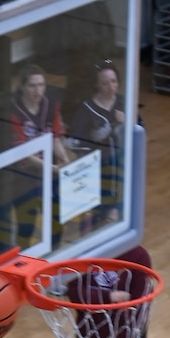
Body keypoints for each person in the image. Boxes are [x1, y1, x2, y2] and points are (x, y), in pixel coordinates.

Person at [67, 60, 126, 222]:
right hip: (99, 174)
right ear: (97, 85)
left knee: (119, 212)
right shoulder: (86, 110)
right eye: (105, 83)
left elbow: (140, 131)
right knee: (97, 218)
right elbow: (78, 146)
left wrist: (127, 122)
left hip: (121, 169)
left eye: (113, 81)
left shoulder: (123, 103)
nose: (111, 86)